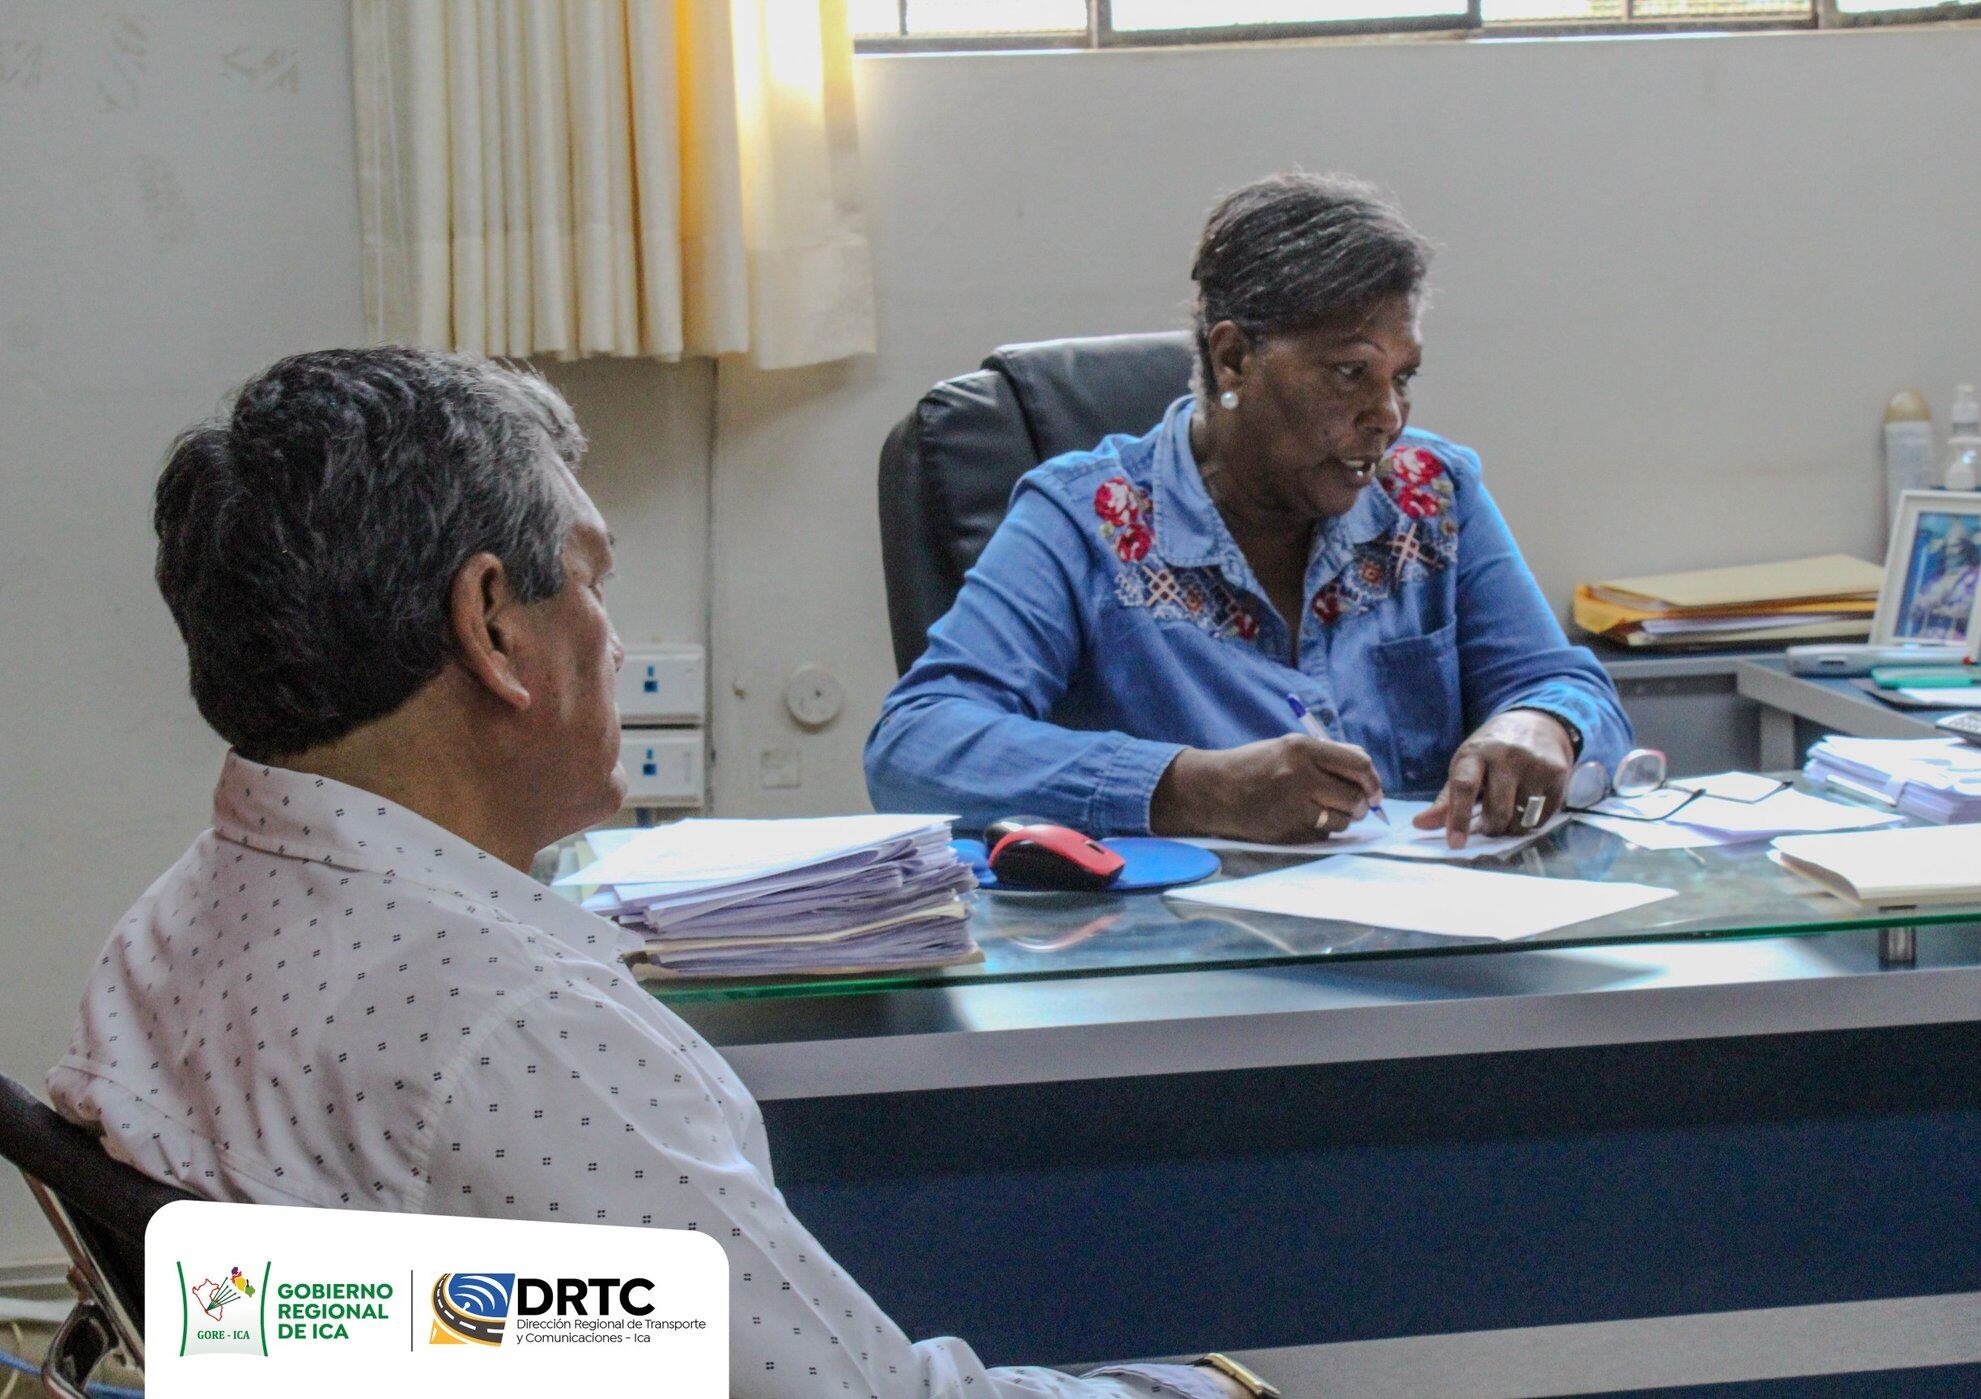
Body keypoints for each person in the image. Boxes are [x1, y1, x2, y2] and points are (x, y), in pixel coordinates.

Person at [48, 348, 1263, 1399]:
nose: (611, 632)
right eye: (591, 578)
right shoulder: (518, 1030)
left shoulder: (178, 920)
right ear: (492, 625)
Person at [866, 174, 1630, 848]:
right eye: (1350, 373)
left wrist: (1543, 724)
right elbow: (914, 745)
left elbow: (1566, 686)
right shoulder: (1087, 518)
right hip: (1186, 945)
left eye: (1403, 378)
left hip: (1431, 941)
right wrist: (1190, 788)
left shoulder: (1430, 494)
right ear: (1233, 358)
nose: (1388, 416)